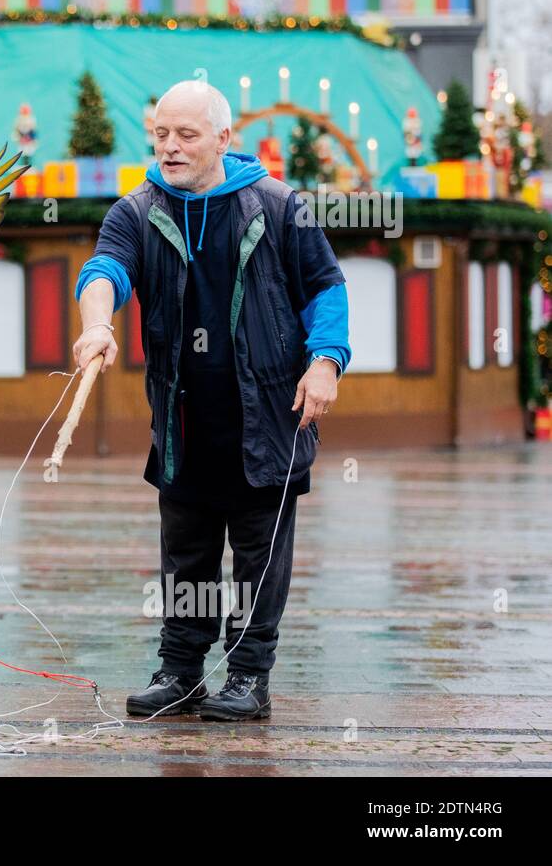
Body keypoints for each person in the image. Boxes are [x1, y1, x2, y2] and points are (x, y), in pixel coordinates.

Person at [73, 80, 351, 721]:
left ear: (224, 139)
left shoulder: (281, 206)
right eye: (161, 134)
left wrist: (327, 361)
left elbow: (325, 289)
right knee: (187, 552)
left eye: (186, 135)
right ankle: (181, 672)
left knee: (260, 556)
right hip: (182, 418)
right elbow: (104, 272)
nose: (169, 148)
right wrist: (96, 324)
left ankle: (249, 676)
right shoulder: (137, 211)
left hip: (271, 416)